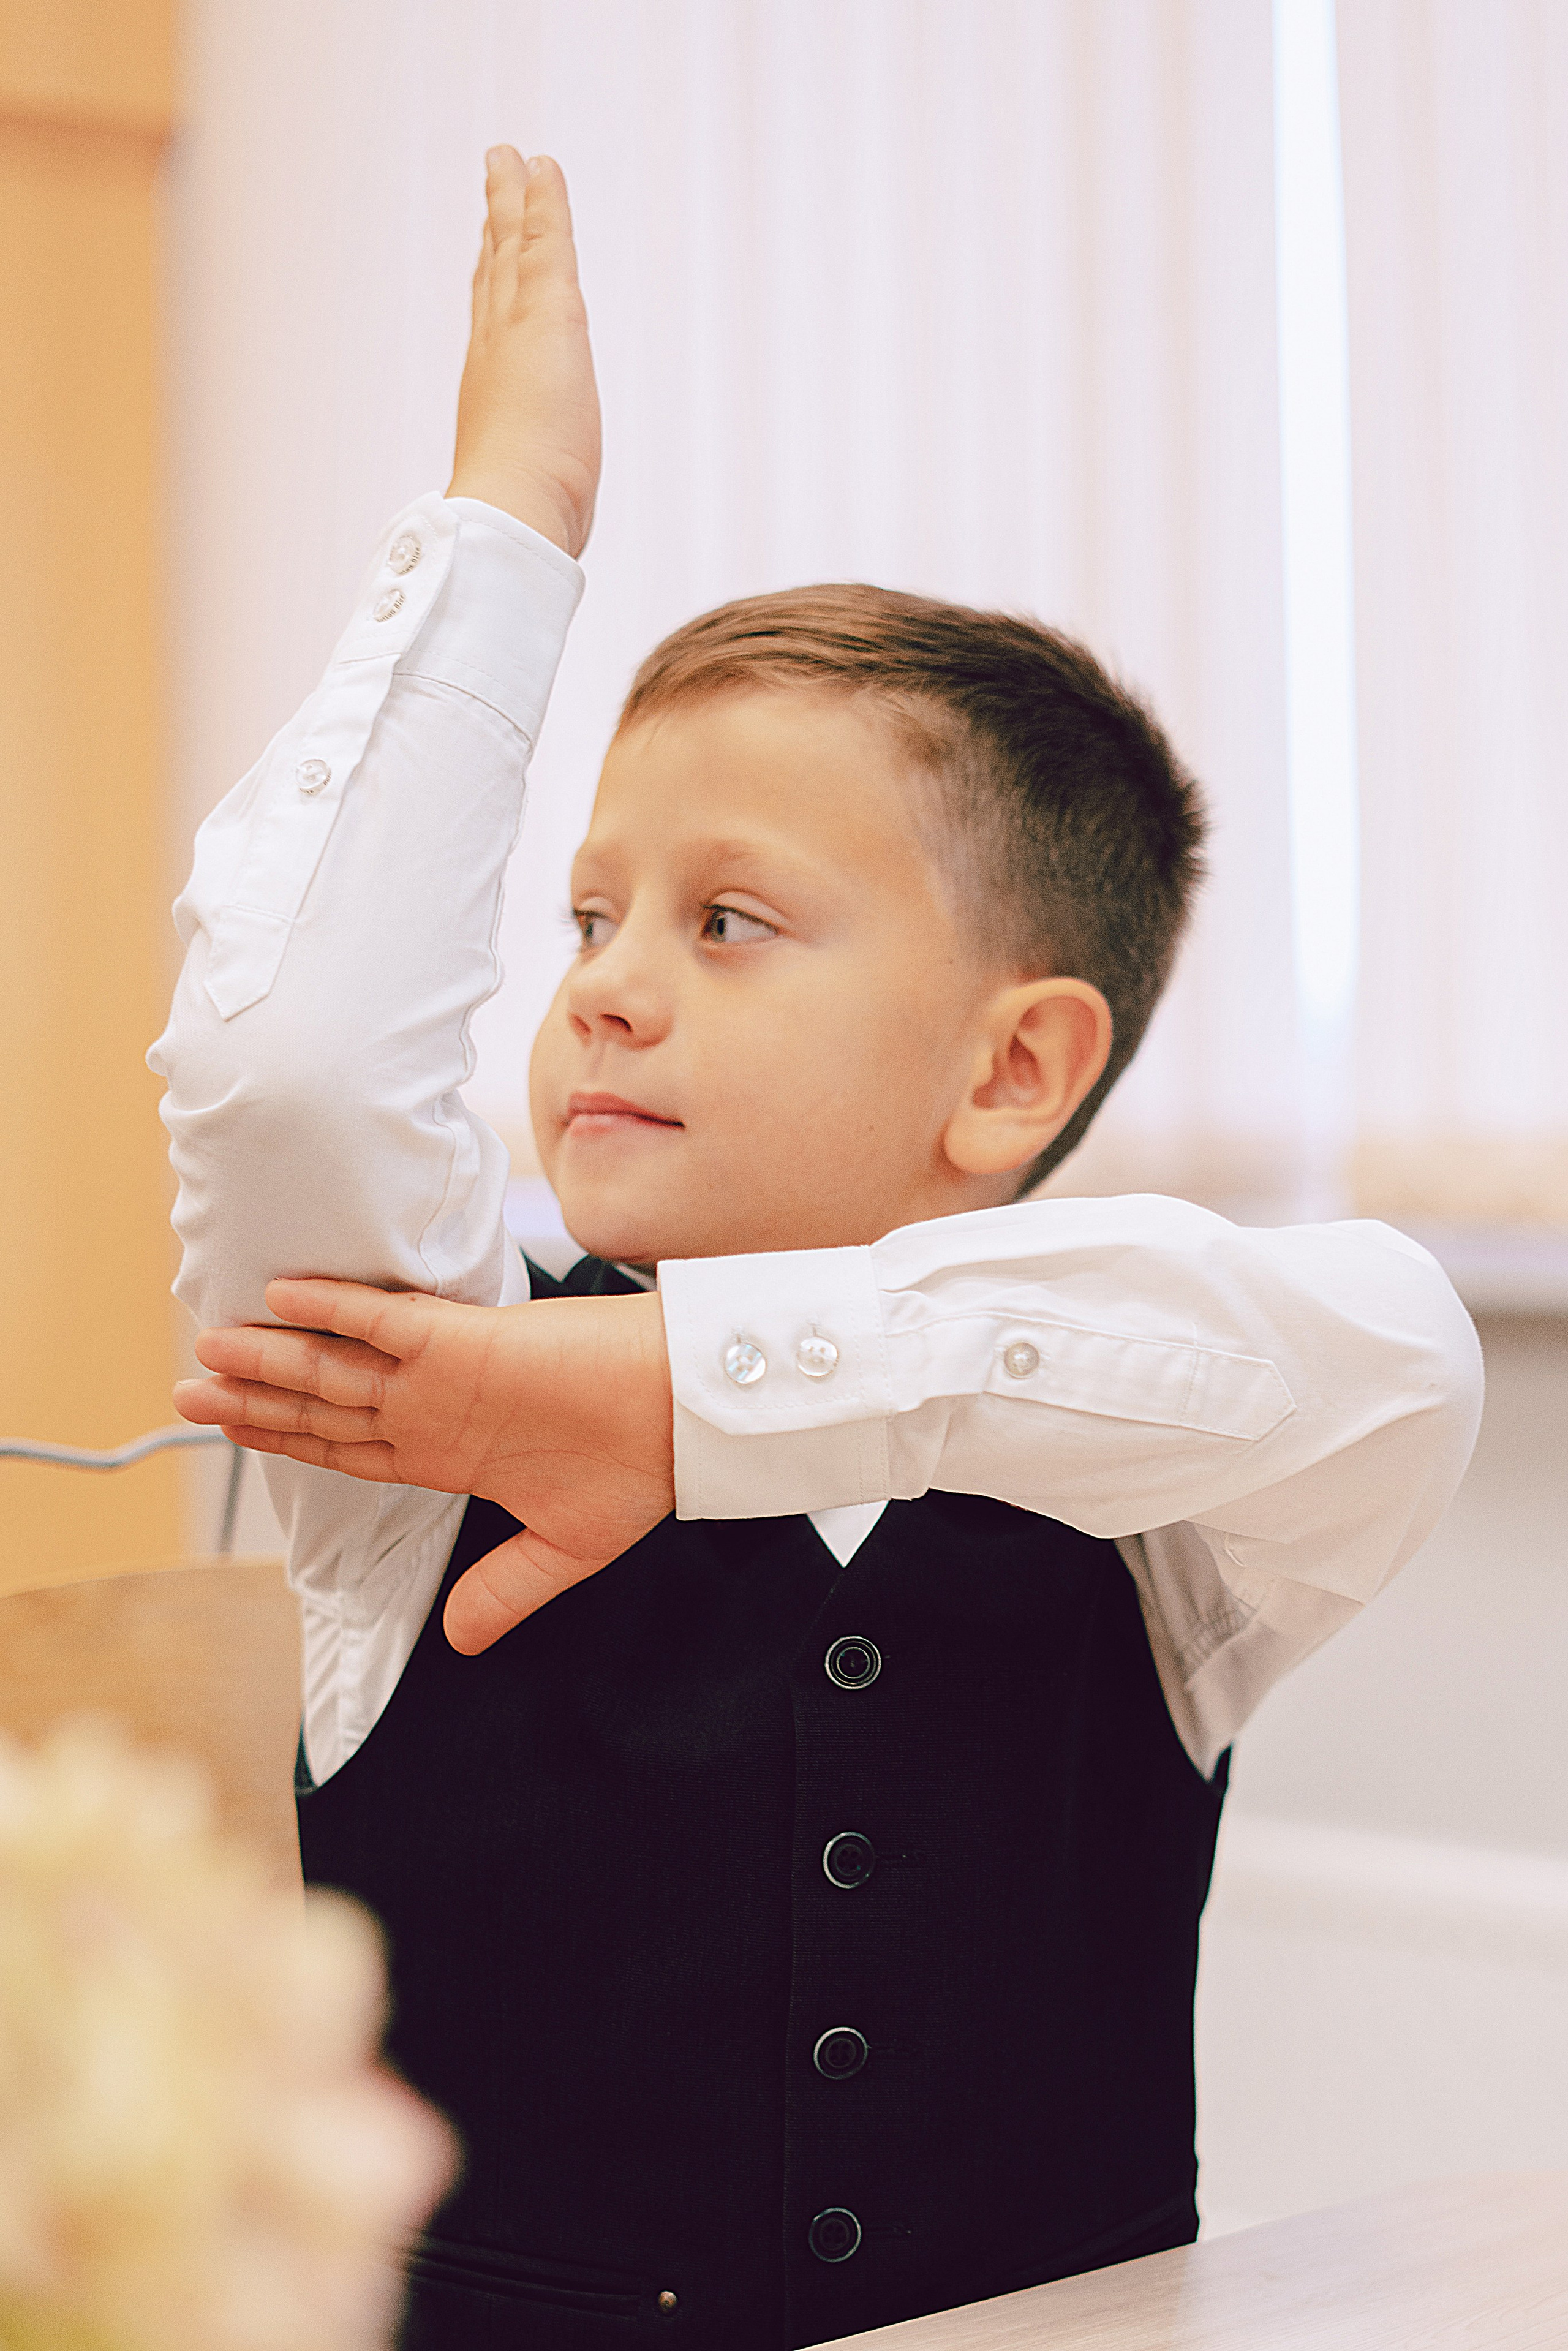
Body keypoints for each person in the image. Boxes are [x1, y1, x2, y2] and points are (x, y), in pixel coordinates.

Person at [158, 149, 1482, 2350]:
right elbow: (289, 1071)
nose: (601, 986)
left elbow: (1397, 1356)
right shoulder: (424, 1412)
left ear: (1008, 1071)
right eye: (589, 917)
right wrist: (508, 523)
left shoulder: (1145, 1505)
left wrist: (691, 1403)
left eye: (729, 921)